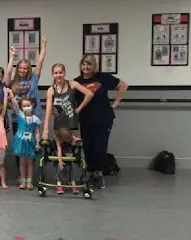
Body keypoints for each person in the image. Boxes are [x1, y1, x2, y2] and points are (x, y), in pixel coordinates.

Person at [74, 55, 128, 188]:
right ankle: (90, 173)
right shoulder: (77, 81)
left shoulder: (102, 78)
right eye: (83, 65)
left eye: (89, 65)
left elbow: (123, 85)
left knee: (99, 147)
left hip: (103, 119)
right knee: (88, 147)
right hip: (86, 119)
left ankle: (99, 175)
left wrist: (115, 103)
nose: (86, 67)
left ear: (94, 66)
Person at [42, 63, 94, 194]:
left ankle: (74, 181)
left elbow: (89, 94)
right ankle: (60, 181)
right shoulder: (51, 90)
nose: (58, 75)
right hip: (58, 127)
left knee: (74, 154)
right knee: (59, 154)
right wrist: (46, 128)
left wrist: (79, 108)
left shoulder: (72, 84)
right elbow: (48, 110)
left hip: (72, 127)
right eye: (56, 73)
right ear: (53, 75)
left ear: (64, 73)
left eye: (60, 72)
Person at [5, 36, 48, 179]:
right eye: (21, 68)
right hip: (19, 120)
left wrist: (43, 45)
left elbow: (40, 61)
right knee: (19, 145)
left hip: (32, 118)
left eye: (25, 68)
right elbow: (9, 72)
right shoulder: (13, 82)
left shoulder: (34, 79)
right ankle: (20, 173)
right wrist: (12, 56)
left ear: (29, 69)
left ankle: (29, 174)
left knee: (32, 144)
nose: (23, 70)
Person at [7, 90, 41, 190]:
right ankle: (23, 180)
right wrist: (12, 96)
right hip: (21, 141)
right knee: (22, 161)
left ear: (33, 105)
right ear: (21, 107)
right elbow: (15, 105)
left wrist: (38, 143)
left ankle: (29, 181)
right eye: (24, 106)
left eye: (28, 105)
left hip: (30, 142)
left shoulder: (35, 119)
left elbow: (37, 132)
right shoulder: (20, 115)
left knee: (30, 162)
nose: (26, 107)